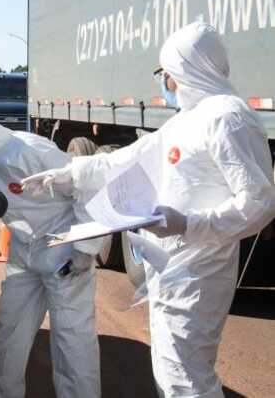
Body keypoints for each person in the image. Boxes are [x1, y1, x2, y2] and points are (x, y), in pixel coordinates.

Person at [23, 23, 275, 397]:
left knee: (187, 379)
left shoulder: (227, 117)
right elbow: (126, 159)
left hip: (199, 272)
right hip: (170, 266)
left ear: (186, 69)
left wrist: (187, 224)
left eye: (165, 73)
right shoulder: (189, 120)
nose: (164, 82)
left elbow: (259, 203)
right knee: (172, 371)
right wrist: (70, 173)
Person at [0, 99, 100, 398]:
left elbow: (89, 188)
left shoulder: (33, 152)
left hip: (63, 252)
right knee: (9, 332)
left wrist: (85, 248)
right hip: (24, 250)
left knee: (71, 339)